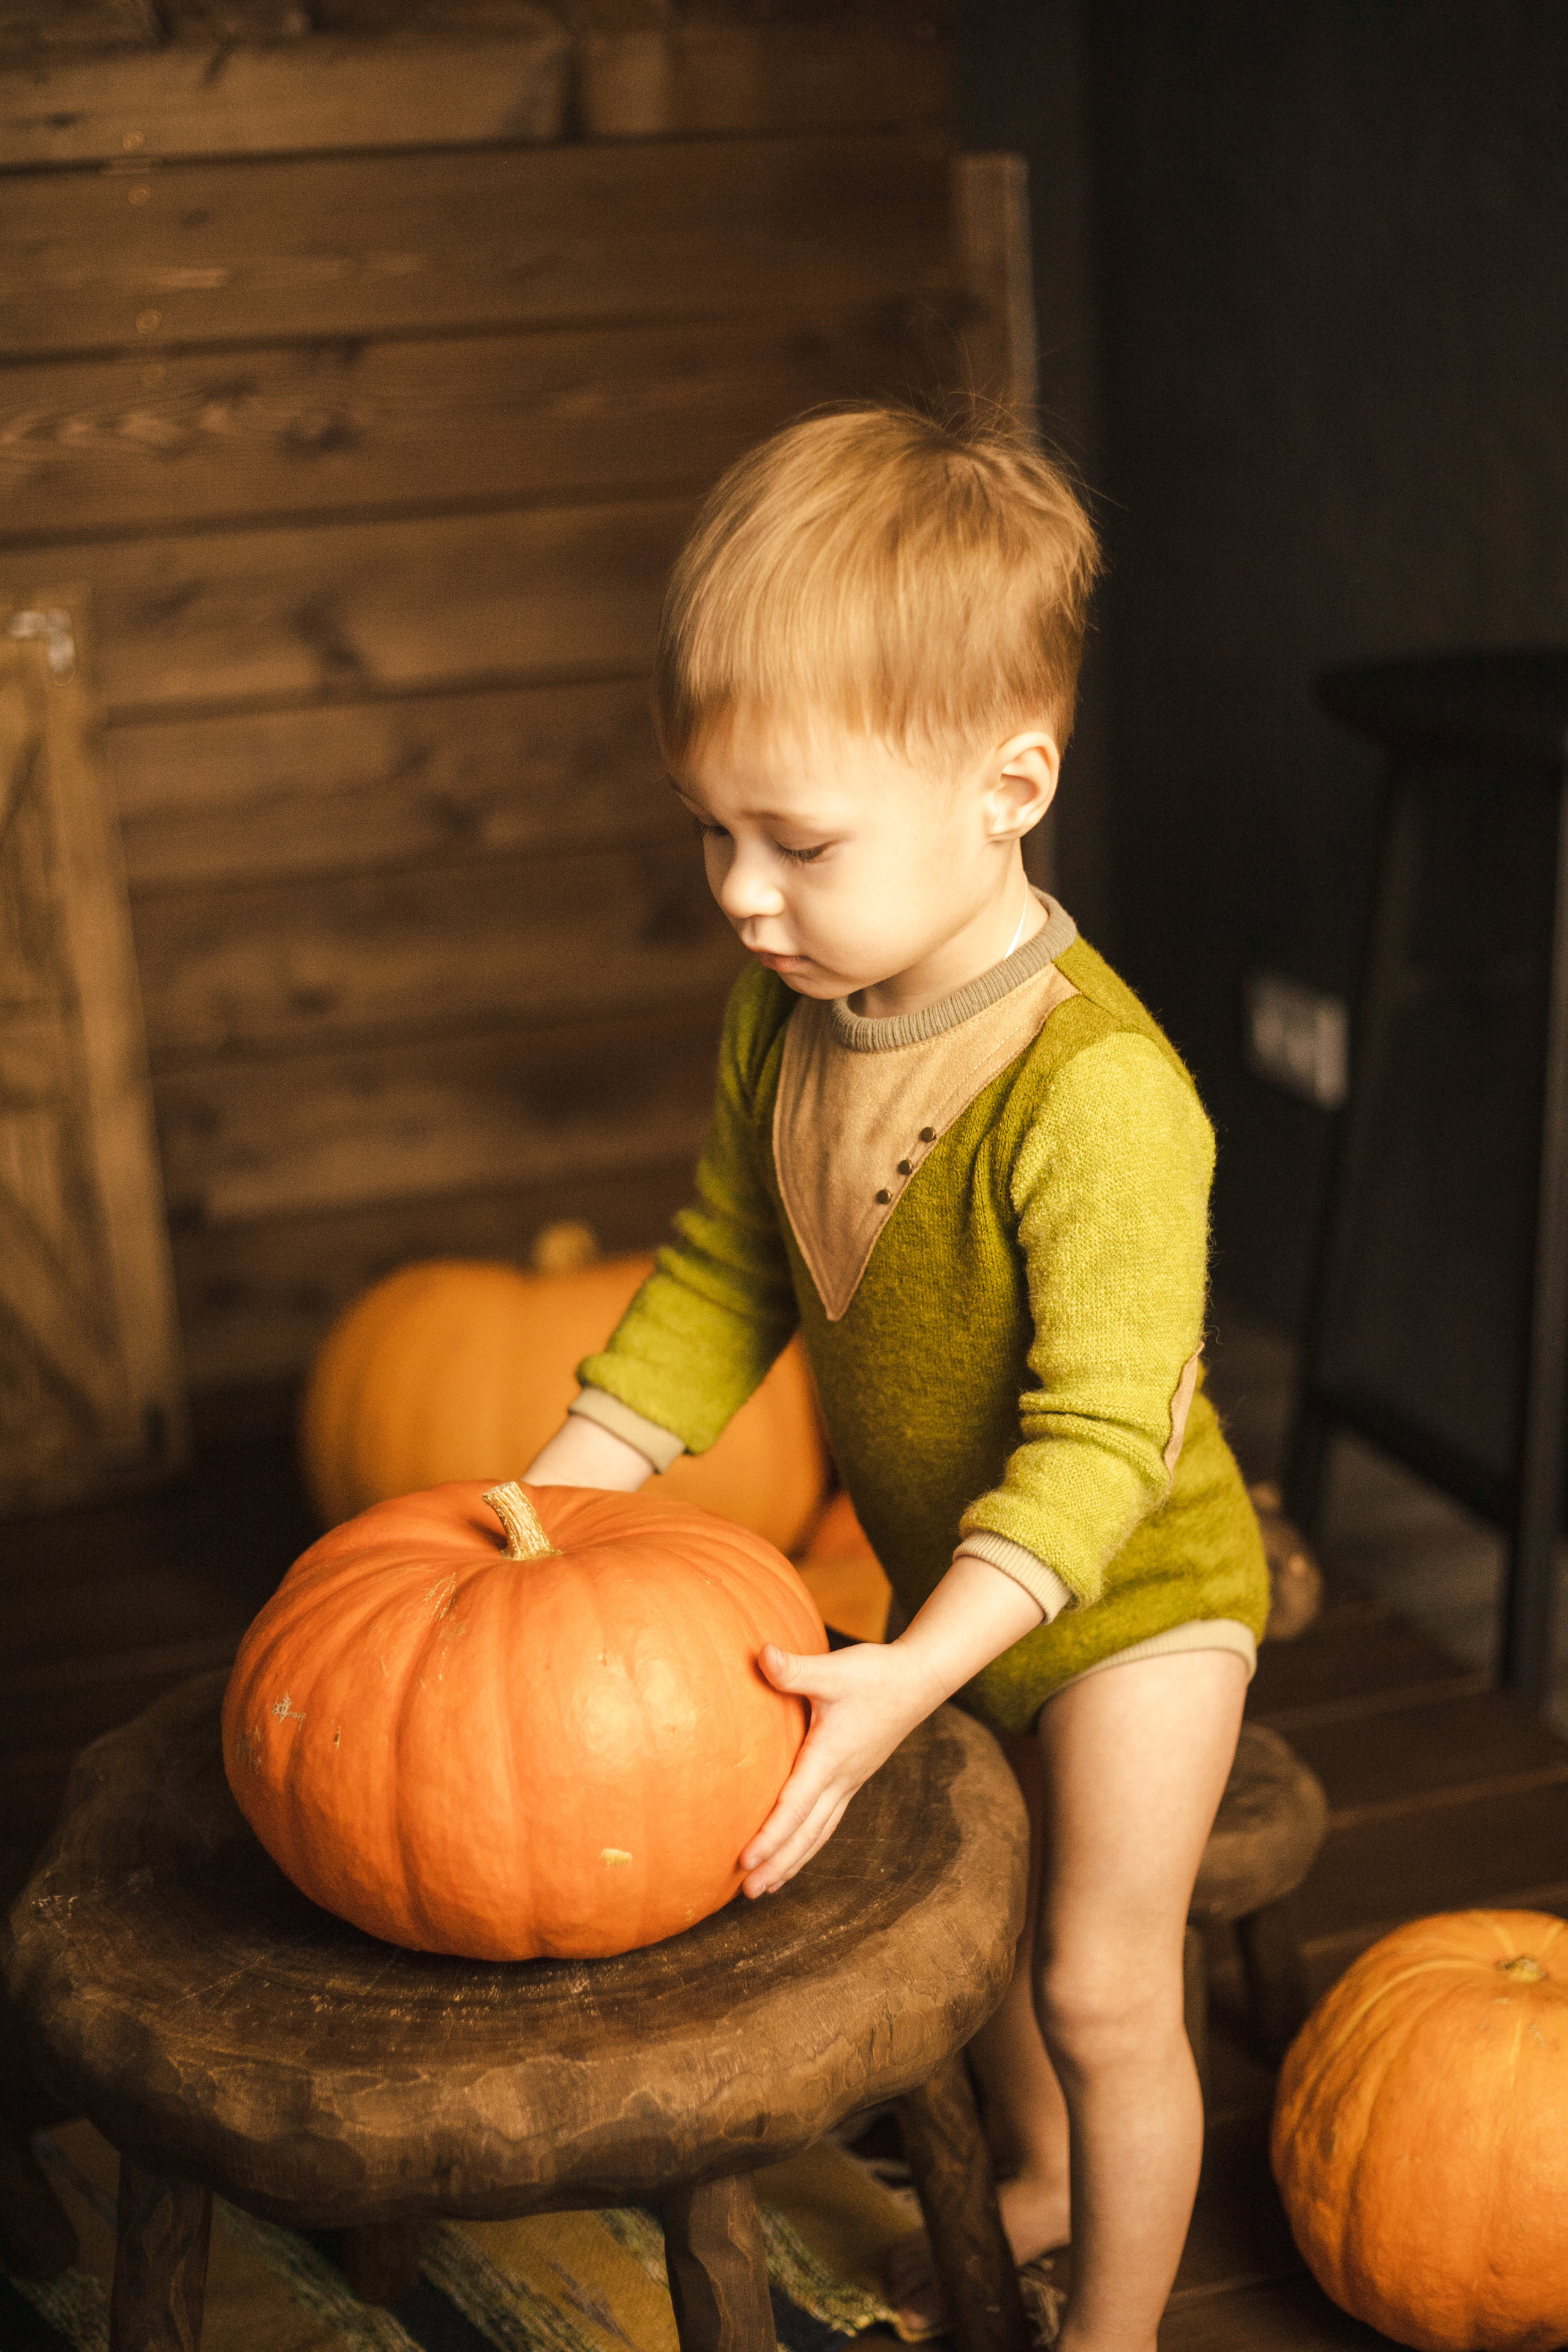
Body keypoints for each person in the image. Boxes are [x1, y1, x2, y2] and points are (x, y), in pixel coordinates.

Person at [522, 405, 1270, 2352]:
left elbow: (1103, 1448)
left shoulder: (1098, 1096)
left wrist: (917, 1672)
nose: (742, 896)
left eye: (800, 842)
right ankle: (1031, 2180)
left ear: (1010, 783)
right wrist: (556, 1500)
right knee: (993, 1947)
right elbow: (721, 1273)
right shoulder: (793, 1017)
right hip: (950, 1579)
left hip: (1129, 1595)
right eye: (713, 832)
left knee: (1106, 1985)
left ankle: (1112, 2336)